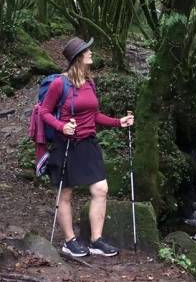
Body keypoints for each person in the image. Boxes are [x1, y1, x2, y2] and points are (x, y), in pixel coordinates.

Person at [41, 36, 134, 258]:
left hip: (88, 143)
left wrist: (118, 122)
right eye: (87, 50)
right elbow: (44, 112)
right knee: (66, 194)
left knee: (100, 189)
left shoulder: (89, 82)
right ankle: (70, 241)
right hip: (67, 145)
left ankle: (96, 240)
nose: (91, 52)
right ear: (78, 57)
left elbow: (94, 115)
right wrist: (62, 127)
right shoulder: (59, 84)